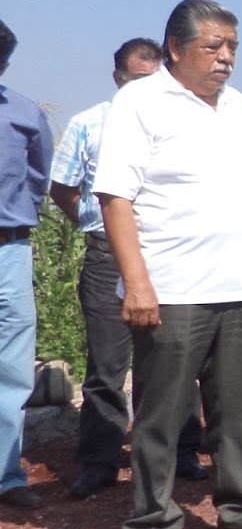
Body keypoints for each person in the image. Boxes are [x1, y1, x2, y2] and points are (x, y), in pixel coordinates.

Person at [93, 0, 242, 529]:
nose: (226, 57)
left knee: (241, 411)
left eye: (232, 46)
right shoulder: (140, 102)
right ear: (177, 48)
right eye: (213, 46)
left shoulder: (238, 108)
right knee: (161, 416)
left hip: (240, 287)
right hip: (173, 289)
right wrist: (137, 282)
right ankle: (150, 525)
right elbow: (115, 196)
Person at [50, 38, 169, 497]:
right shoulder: (89, 123)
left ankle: (174, 453)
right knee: (107, 365)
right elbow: (63, 187)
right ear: (117, 77)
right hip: (106, 257)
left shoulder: (176, 123)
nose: (147, 88)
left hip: (163, 254)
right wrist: (94, 223)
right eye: (138, 79)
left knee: (171, 359)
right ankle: (100, 461)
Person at [0, 20, 51, 511]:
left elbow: (39, 175)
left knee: (12, 366)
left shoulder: (23, 112)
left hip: (8, 250)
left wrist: (18, 216)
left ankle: (6, 477)